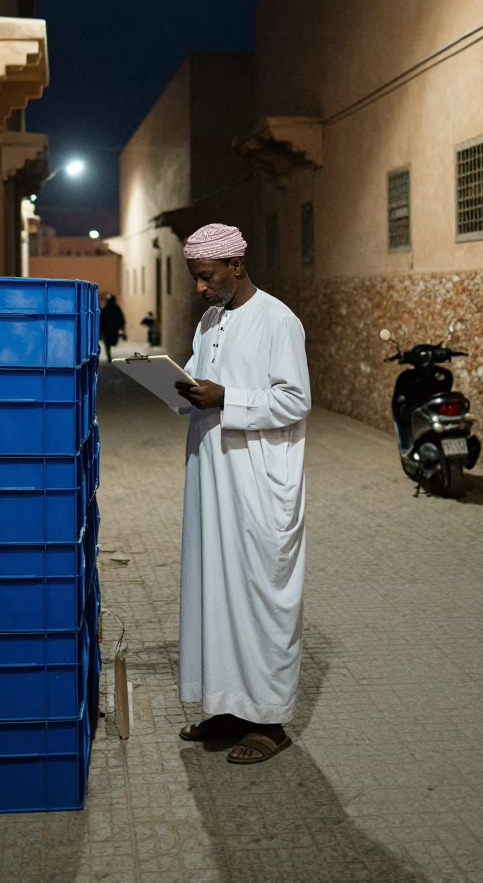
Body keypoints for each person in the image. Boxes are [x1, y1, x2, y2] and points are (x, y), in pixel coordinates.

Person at [173, 222, 311, 765]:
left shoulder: (278, 320)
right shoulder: (210, 321)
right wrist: (176, 384)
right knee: (214, 592)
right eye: (195, 279)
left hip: (257, 484)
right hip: (211, 481)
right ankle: (227, 708)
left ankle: (270, 722)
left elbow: (294, 400)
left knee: (259, 597)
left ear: (235, 265)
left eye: (206, 278)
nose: (200, 289)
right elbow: (198, 376)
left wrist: (227, 397)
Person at [98, 294, 125, 363]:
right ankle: (109, 357)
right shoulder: (114, 308)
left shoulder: (106, 309)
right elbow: (121, 319)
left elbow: (121, 318)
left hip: (109, 329)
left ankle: (109, 356)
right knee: (108, 343)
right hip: (110, 329)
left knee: (109, 343)